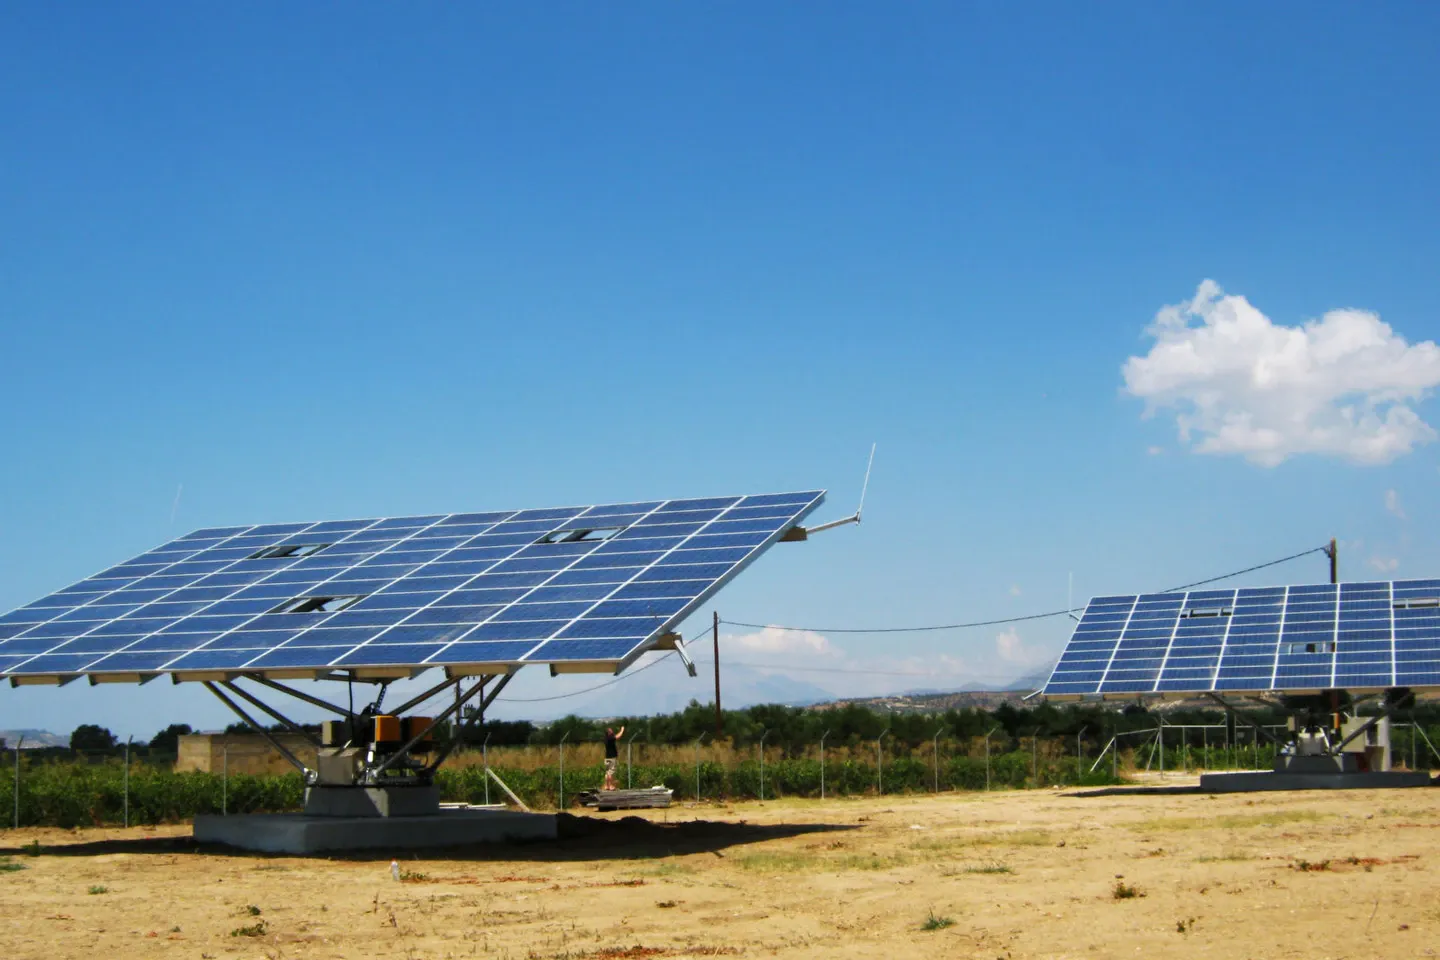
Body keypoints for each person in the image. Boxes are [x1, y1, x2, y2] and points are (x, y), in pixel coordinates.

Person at [603, 724, 625, 791]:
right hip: (612, 758)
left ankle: (607, 785)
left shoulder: (606, 739)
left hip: (607, 758)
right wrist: (622, 730)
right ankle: (611, 786)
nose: (612, 732)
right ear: (609, 733)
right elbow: (618, 736)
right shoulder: (610, 739)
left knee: (607, 772)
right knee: (611, 772)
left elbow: (615, 736)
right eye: (611, 731)